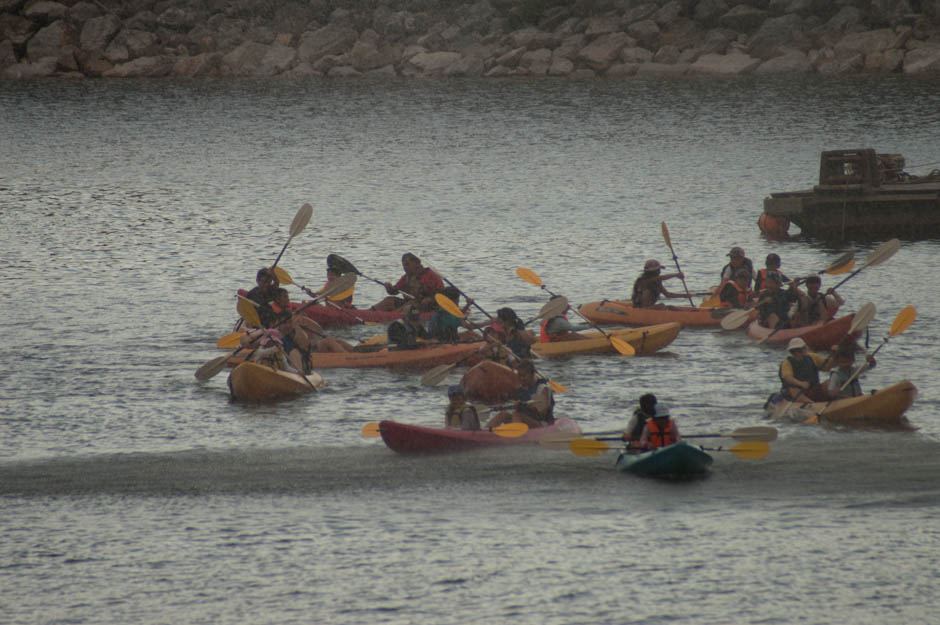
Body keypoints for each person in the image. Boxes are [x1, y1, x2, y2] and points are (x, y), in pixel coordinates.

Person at [484, 360, 554, 429]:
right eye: (519, 376)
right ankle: (484, 432)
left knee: (517, 414)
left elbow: (542, 413)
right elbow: (514, 405)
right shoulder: (521, 390)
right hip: (525, 421)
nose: (521, 378)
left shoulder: (543, 388)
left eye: (524, 376)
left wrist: (528, 406)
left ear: (532, 374)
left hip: (542, 423)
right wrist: (503, 407)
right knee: (503, 414)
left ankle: (515, 437)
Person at [373, 253, 445, 312]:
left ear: (417, 264)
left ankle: (392, 316)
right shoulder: (406, 278)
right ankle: (370, 312)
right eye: (403, 265)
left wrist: (429, 299)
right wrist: (389, 287)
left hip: (429, 307)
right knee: (389, 300)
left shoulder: (431, 276)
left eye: (407, 264)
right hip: (409, 305)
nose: (405, 267)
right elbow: (395, 290)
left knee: (411, 304)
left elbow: (442, 294)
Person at [779, 337, 835, 403]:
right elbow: (787, 377)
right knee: (793, 390)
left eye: (802, 350)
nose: (799, 353)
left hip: (813, 388)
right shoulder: (786, 363)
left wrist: (834, 356)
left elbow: (827, 367)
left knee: (829, 382)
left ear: (805, 349)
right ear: (792, 352)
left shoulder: (813, 357)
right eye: (797, 351)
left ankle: (834, 399)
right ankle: (811, 404)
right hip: (796, 391)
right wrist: (801, 384)